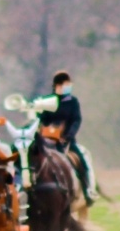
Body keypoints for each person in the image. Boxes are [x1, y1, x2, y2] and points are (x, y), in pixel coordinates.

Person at [37, 70, 96, 204]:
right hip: (48, 140)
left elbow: (76, 119)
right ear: (58, 85)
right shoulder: (47, 102)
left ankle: (87, 191)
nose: (69, 86)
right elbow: (42, 120)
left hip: (66, 140)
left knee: (82, 160)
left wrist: (69, 135)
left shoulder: (73, 101)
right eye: (66, 84)